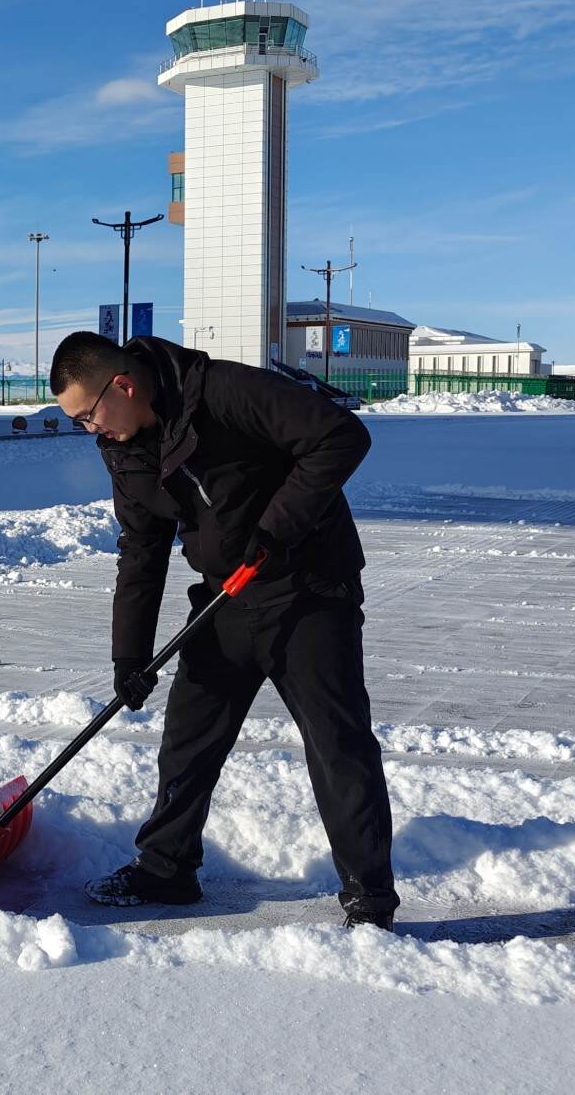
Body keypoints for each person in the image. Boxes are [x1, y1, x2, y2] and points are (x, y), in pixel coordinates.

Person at [49, 329, 399, 930]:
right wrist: (129, 657)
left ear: (123, 385)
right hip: (225, 596)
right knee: (189, 735)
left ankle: (369, 898)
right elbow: (142, 549)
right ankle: (167, 868)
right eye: (78, 422)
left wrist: (278, 529)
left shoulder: (222, 391)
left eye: (88, 415)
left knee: (336, 743)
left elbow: (340, 435)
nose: (90, 430)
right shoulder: (123, 447)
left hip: (307, 590)